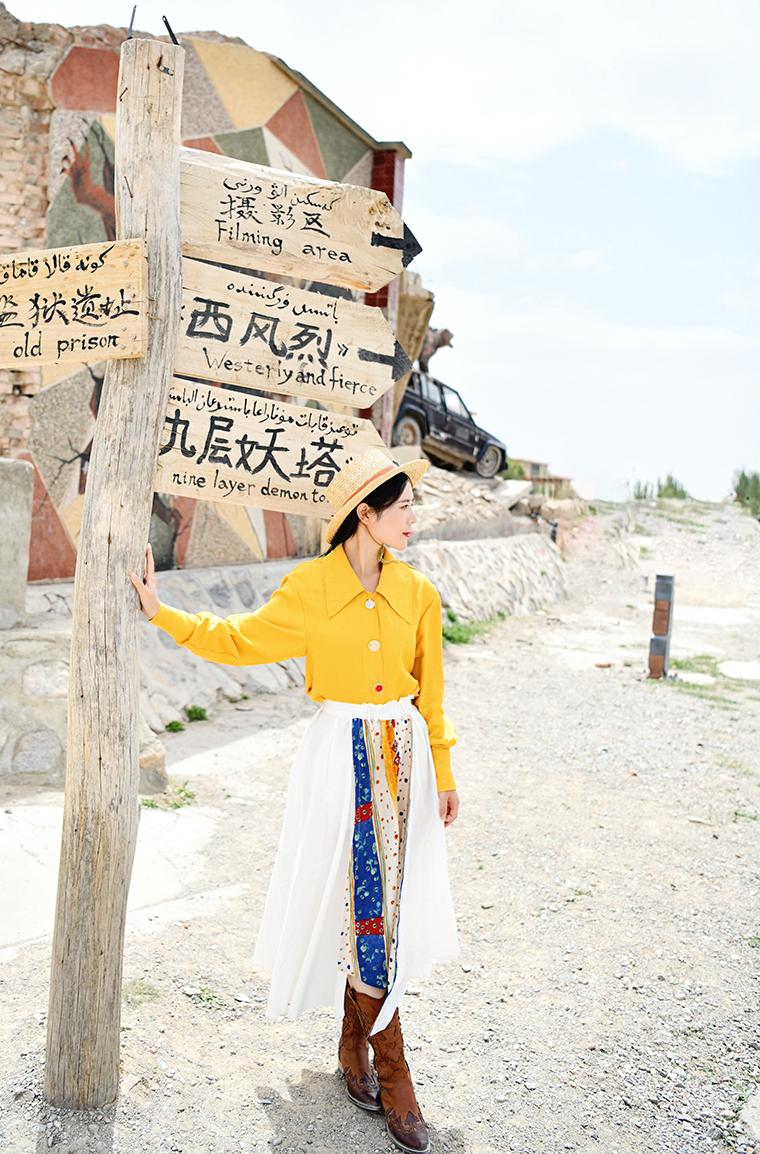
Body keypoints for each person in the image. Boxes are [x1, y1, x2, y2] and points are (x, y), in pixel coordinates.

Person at [131, 448, 460, 1154]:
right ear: (365, 515)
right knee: (359, 908)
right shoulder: (309, 588)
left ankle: (354, 1047)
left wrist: (445, 769)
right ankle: (393, 1071)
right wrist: (163, 614)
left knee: (382, 914)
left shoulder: (420, 594)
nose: (412, 519)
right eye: (402, 507)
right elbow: (241, 639)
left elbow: (430, 693)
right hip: (338, 761)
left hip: (402, 761)